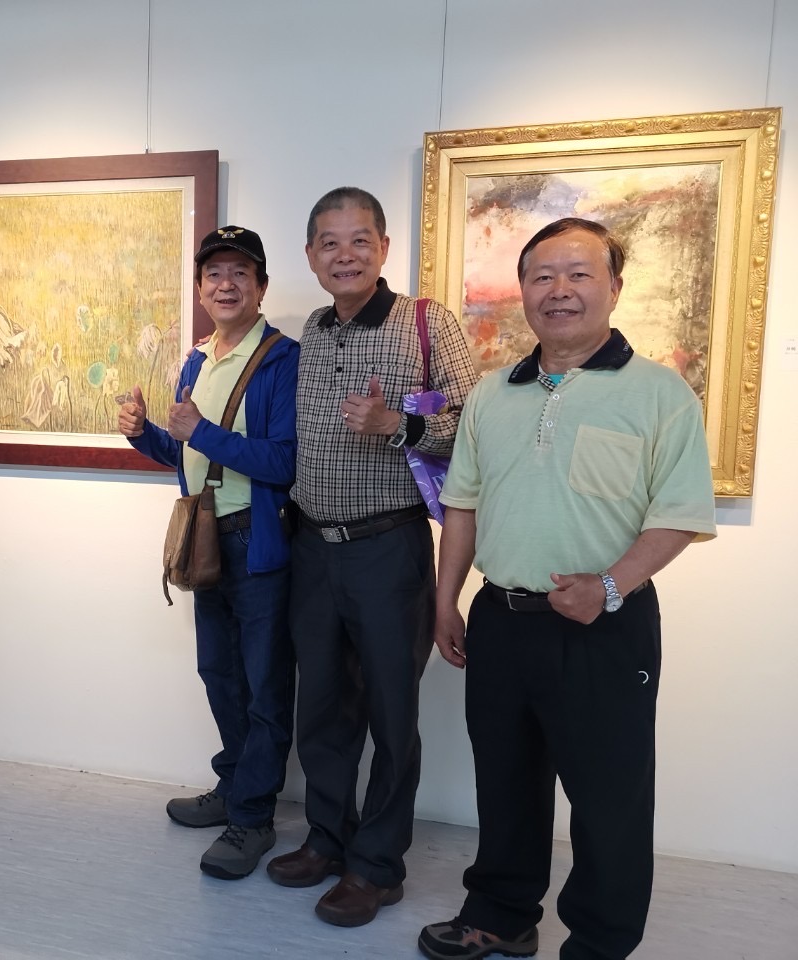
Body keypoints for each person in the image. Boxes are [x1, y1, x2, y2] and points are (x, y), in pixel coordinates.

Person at [418, 218, 716, 960]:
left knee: (610, 797)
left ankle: (600, 943)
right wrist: (445, 599)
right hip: (501, 619)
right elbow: (463, 505)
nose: (559, 290)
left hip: (604, 625)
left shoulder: (660, 394)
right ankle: (502, 913)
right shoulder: (493, 394)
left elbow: (679, 515)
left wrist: (610, 586)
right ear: (522, 291)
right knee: (505, 782)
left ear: (614, 287)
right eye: (542, 276)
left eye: (579, 274)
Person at [267, 188, 478, 925]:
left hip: (389, 548)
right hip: (312, 548)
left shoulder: (427, 321)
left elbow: (473, 423)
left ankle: (377, 866)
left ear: (384, 248)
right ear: (310, 256)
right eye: (329, 243)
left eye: (360, 240)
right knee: (322, 709)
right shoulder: (315, 327)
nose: (345, 254)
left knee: (391, 713)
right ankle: (328, 839)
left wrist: (398, 424)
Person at [119, 225, 299, 879]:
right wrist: (144, 434)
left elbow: (283, 463)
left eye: (239, 273)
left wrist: (203, 432)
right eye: (214, 274)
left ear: (261, 287)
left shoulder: (281, 359)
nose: (226, 285)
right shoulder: (197, 360)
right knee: (219, 674)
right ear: (199, 288)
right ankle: (233, 784)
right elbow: (187, 451)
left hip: (255, 545)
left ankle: (253, 817)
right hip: (205, 539)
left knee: (264, 687)